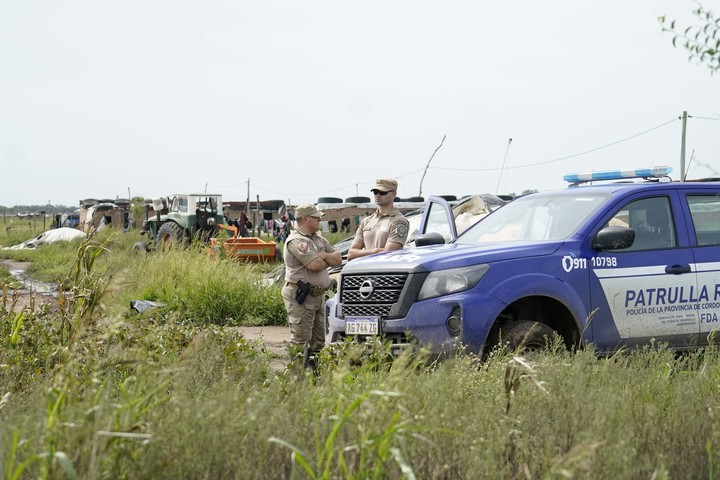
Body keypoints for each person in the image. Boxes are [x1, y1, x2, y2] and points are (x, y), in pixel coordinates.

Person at [282, 204, 342, 372]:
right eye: (316, 217)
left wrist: (322, 255)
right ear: (305, 219)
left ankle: (312, 374)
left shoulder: (318, 239)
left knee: (318, 341)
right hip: (301, 296)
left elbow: (338, 259)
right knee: (301, 340)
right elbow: (314, 265)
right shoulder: (297, 241)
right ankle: (295, 377)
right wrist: (324, 258)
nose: (319, 220)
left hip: (318, 297)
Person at [347, 178, 410, 261]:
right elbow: (351, 254)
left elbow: (389, 253)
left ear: (394, 193)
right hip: (364, 270)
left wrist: (362, 253)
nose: (378, 195)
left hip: (383, 271)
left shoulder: (399, 221)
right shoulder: (366, 221)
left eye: (383, 192)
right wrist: (375, 251)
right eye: (375, 192)